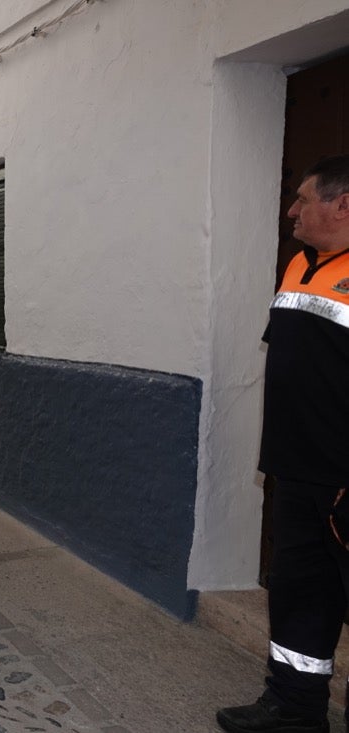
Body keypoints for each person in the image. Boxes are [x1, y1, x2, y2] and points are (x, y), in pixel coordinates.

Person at [217, 155, 349, 733]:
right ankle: (294, 708)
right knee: (298, 595)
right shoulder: (298, 264)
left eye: (303, 199)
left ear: (343, 204)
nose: (291, 209)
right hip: (296, 473)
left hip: (346, 479)